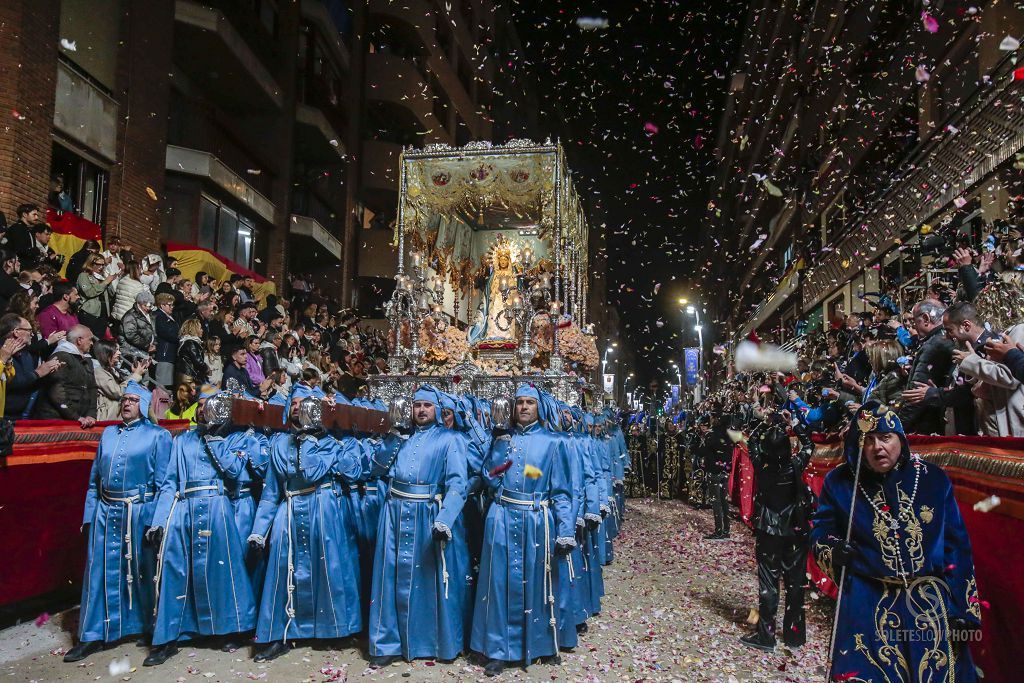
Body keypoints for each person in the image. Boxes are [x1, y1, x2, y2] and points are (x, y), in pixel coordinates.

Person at [811, 401, 981, 682]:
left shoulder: (933, 480)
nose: (878, 447)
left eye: (886, 437)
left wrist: (961, 608)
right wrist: (833, 549)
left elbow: (957, 546)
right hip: (867, 601)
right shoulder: (840, 483)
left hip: (928, 604)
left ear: (900, 438)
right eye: (869, 439)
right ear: (858, 445)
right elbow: (821, 531)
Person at [246, 386, 364, 662]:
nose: (299, 407)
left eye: (305, 403)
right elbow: (271, 492)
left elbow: (314, 472)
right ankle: (282, 632)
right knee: (284, 571)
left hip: (323, 508)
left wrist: (311, 438)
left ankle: (332, 629)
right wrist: (258, 531)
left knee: (328, 568)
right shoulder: (278, 443)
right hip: (288, 511)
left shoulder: (330, 443)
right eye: (294, 403)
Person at [144, 393, 258, 666]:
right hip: (185, 508)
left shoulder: (233, 438)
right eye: (201, 405)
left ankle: (231, 629)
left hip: (218, 506)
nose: (203, 409)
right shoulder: (181, 440)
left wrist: (215, 438)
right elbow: (170, 482)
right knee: (177, 571)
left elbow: (235, 473)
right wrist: (159, 520)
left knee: (224, 571)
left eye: (210, 405)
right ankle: (171, 635)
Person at [63, 382, 172, 663]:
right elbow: (92, 483)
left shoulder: (158, 436)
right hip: (106, 512)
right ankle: (93, 635)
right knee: (100, 572)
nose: (126, 403)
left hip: (140, 513)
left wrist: (157, 521)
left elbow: (165, 485)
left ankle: (153, 632)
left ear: (144, 405)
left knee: (144, 572)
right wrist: (89, 517)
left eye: (134, 400)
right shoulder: (108, 434)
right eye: (124, 399)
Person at [471, 384, 574, 676]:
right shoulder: (502, 439)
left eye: (530, 402)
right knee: (499, 583)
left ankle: (540, 645)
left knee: (539, 583)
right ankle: (498, 650)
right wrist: (499, 450)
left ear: (539, 407)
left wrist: (565, 529)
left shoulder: (554, 443)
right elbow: (489, 478)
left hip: (536, 520)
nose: (525, 407)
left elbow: (562, 491)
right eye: (520, 403)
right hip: (502, 517)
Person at [365, 385, 469, 667]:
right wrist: (392, 438)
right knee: (390, 575)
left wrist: (445, 519)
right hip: (395, 514)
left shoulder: (450, 439)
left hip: (428, 514)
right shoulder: (400, 438)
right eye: (416, 405)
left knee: (428, 578)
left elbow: (458, 484)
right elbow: (376, 469)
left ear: (437, 410)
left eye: (427, 406)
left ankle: (432, 642)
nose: (421, 410)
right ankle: (388, 643)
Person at [739, 410, 813, 651]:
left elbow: (751, 442)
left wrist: (763, 422)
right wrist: (794, 423)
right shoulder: (795, 465)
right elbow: (809, 444)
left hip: (769, 529)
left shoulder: (761, 465)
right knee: (795, 584)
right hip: (794, 530)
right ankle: (794, 635)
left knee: (769, 583)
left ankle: (767, 635)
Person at [946, 294, 1024, 437]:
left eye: (983, 311)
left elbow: (1009, 377)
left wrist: (971, 361)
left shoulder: (1020, 330)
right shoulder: (1007, 333)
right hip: (995, 417)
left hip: (1012, 420)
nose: (982, 319)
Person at [899, 300, 954, 434]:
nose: (912, 327)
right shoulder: (944, 339)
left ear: (925, 319)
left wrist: (896, 428)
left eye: (914, 322)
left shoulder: (934, 345)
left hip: (929, 426)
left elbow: (916, 395)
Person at [34, 324, 97, 426]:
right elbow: (57, 391)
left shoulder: (86, 360)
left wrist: (91, 414)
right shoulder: (61, 357)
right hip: (56, 420)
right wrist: (75, 416)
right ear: (79, 340)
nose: (92, 343)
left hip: (81, 420)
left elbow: (92, 388)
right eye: (90, 339)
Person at [697, 412, 734, 540]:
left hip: (714, 472)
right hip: (725, 471)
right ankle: (726, 530)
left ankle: (719, 531)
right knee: (724, 502)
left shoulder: (710, 435)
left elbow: (702, 451)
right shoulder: (729, 434)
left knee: (716, 502)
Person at [93, 339, 148, 421]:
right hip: (108, 417)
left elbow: (123, 386)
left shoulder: (113, 370)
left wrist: (134, 374)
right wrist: (135, 375)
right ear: (106, 353)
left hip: (117, 414)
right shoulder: (99, 372)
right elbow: (118, 392)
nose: (119, 353)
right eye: (116, 350)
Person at [76, 253, 115, 338]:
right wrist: (105, 283)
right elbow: (89, 292)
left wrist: (108, 282)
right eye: (98, 264)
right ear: (91, 263)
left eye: (103, 265)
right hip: (89, 313)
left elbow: (111, 294)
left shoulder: (103, 276)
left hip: (104, 313)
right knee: (88, 338)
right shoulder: (84, 276)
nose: (101, 267)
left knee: (99, 340)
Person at [153, 293, 178, 388]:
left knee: (167, 384)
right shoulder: (159, 316)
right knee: (163, 385)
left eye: (173, 305)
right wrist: (180, 338)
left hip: (169, 353)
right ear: (162, 305)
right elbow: (164, 332)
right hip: (164, 353)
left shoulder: (168, 317)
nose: (172, 307)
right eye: (169, 305)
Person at [174, 318, 208, 384]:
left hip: (186, 375)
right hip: (190, 377)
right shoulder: (191, 343)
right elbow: (198, 361)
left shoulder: (186, 341)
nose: (202, 330)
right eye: (200, 328)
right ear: (194, 329)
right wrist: (206, 368)